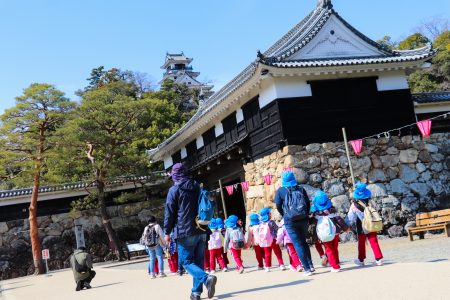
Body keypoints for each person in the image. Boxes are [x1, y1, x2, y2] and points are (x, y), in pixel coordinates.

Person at [164, 163, 217, 300]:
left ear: (174, 175)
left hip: (184, 230)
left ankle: (206, 278)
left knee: (186, 262)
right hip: (201, 228)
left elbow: (169, 213)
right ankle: (196, 293)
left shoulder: (174, 190)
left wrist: (167, 232)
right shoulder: (196, 186)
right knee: (198, 262)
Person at [274, 171, 315, 276]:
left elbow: (278, 205)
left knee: (297, 244)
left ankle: (306, 269)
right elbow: (307, 203)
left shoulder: (281, 190)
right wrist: (305, 214)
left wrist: (284, 214)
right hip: (303, 219)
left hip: (290, 220)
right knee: (304, 242)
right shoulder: (301, 188)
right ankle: (310, 265)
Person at [347, 182, 384, 266]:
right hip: (372, 222)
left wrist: (346, 226)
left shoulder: (354, 205)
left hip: (361, 225)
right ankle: (379, 259)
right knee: (373, 241)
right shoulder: (371, 202)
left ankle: (361, 259)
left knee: (361, 242)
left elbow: (350, 217)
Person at [311, 191, 349, 272]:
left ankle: (335, 266)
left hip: (324, 234)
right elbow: (339, 220)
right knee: (334, 248)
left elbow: (313, 224)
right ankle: (337, 262)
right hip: (335, 232)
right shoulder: (332, 210)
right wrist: (346, 228)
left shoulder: (315, 213)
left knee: (329, 249)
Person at [259, 207, 286, 272]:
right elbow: (276, 229)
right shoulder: (271, 222)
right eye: (269, 213)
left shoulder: (261, 223)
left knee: (267, 254)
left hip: (265, 240)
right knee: (278, 252)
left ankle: (267, 267)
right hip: (273, 239)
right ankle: (281, 264)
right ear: (267, 215)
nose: (270, 214)